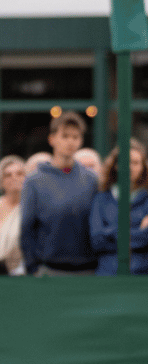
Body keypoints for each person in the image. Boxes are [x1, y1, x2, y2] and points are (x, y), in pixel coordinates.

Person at [20, 111, 99, 276]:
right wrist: (33, 269)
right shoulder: (34, 181)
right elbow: (27, 229)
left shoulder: (92, 180)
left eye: (75, 137)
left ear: (81, 141)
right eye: (65, 136)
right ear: (52, 139)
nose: (70, 141)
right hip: (49, 270)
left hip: (89, 270)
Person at [89, 140, 148, 276]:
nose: (130, 167)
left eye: (135, 163)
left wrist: (110, 232)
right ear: (116, 165)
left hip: (144, 275)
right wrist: (137, 230)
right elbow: (97, 241)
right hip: (109, 274)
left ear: (143, 167)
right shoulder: (102, 198)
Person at [0, 155, 25, 275]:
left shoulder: (32, 207)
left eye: (19, 173)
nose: (14, 177)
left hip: (20, 273)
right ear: (1, 181)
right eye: (8, 175)